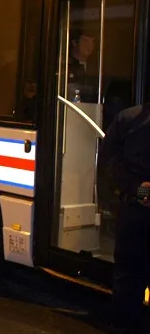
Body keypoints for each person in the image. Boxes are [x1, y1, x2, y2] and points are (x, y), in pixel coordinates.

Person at [98, 103, 150, 333]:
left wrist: (138, 190)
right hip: (136, 211)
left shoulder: (127, 119)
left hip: (135, 211)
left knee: (128, 279)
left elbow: (109, 162)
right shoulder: (127, 120)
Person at [67, 28, 98, 103]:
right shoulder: (65, 66)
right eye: (85, 41)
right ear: (74, 43)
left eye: (92, 42)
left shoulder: (96, 68)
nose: (89, 45)